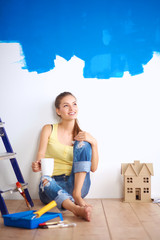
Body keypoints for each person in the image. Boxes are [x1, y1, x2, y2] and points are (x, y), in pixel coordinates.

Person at [32, 92, 99, 221]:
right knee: (44, 180)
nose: (72, 108)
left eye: (74, 104)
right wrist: (36, 165)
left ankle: (76, 196)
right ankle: (76, 209)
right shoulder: (48, 129)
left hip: (77, 186)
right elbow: (40, 158)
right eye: (66, 105)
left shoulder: (82, 136)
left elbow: (94, 168)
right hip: (52, 186)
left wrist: (94, 142)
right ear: (58, 111)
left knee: (84, 144)